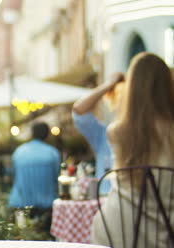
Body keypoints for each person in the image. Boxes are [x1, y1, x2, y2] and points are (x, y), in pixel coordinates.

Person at [90, 52, 174, 247]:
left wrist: (110, 84)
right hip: (166, 228)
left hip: (117, 226)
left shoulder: (117, 132)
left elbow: (79, 111)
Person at [72, 72, 125, 193]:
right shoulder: (103, 134)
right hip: (106, 199)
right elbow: (78, 110)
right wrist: (109, 85)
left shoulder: (148, 133)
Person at [8, 122, 60, 232]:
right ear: (47, 135)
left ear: (32, 134)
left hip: (20, 203)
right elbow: (57, 178)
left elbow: (13, 176)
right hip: (47, 206)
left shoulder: (19, 152)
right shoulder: (52, 153)